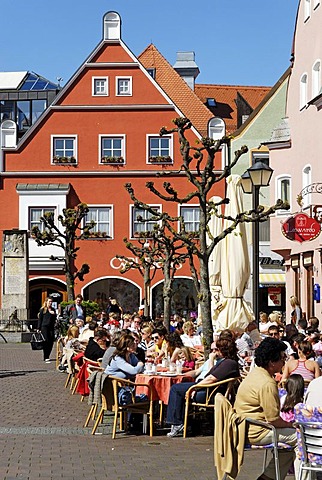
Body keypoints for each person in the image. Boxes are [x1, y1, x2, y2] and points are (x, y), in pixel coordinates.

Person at [234, 337, 307, 480]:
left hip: (245, 427)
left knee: (289, 443)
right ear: (272, 362)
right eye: (282, 359)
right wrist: (292, 425)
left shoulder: (254, 374)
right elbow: (273, 419)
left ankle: (269, 477)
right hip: (257, 431)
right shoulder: (267, 383)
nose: (284, 362)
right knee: (302, 439)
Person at [166, 336, 240, 437]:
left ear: (223, 350)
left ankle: (177, 423)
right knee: (178, 387)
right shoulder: (224, 362)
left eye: (217, 349)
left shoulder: (229, 363)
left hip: (211, 393)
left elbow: (211, 379)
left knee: (176, 389)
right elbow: (209, 375)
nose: (215, 352)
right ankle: (182, 422)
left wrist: (195, 388)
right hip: (208, 389)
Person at [37, 297, 57, 362]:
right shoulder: (43, 310)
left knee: (51, 342)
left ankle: (48, 354)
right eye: (49, 301)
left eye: (51, 302)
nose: (50, 303)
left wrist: (53, 314)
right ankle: (46, 356)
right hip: (44, 327)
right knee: (46, 341)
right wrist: (38, 328)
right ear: (46, 302)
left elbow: (55, 319)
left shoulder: (53, 309)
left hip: (51, 327)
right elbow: (40, 319)